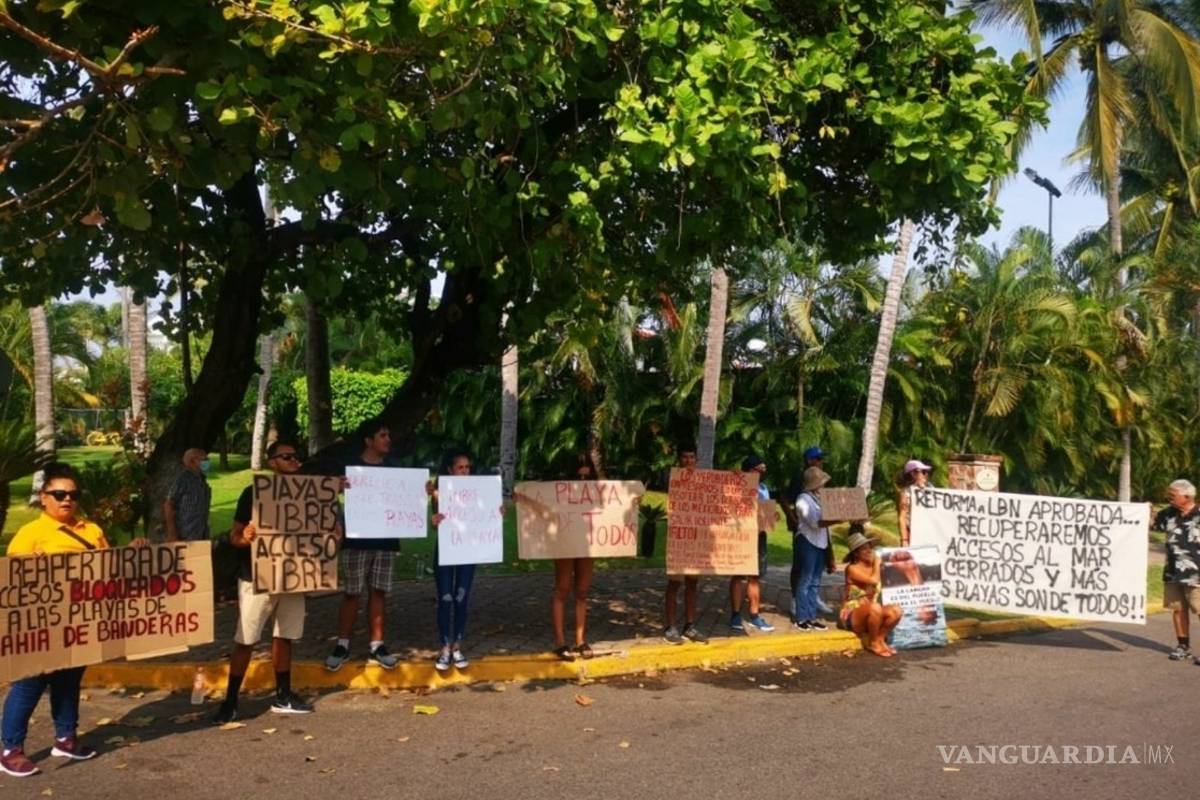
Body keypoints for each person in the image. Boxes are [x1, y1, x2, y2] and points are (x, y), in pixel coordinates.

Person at [2, 463, 149, 778]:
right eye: (59, 494)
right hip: (40, 627)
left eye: (73, 494)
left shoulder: (91, 530)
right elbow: (12, 584)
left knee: (69, 681)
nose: (66, 500)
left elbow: (107, 572)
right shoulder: (30, 535)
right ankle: (10, 749)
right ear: (44, 498)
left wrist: (133, 554)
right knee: (29, 685)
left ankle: (65, 738)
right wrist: (31, 567)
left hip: (79, 625)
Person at [214, 441, 325, 723]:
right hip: (256, 576)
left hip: (292, 577)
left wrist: (332, 533)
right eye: (286, 456)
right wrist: (246, 537)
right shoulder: (252, 494)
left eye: (296, 457)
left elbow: (321, 533)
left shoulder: (309, 495)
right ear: (272, 462)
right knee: (246, 638)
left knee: (285, 635)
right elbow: (234, 536)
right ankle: (230, 701)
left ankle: (283, 695)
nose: (293, 461)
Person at [325, 418, 402, 671]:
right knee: (352, 592)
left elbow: (405, 497)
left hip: (386, 539)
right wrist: (335, 488)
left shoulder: (394, 467)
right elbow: (327, 499)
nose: (387, 440)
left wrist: (419, 490)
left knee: (379, 591)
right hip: (356, 539)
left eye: (388, 435)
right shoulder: (351, 468)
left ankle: (377, 645)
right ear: (369, 441)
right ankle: (342, 644)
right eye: (382, 435)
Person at [429, 449, 490, 671]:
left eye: (467, 467)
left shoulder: (478, 491)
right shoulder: (439, 493)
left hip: (467, 552)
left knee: (461, 596)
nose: (465, 471)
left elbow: (488, 515)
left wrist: (498, 511)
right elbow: (433, 524)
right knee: (445, 597)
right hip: (446, 550)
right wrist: (434, 520)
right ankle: (444, 646)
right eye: (460, 467)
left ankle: (457, 645)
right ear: (449, 470)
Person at [551, 455, 600, 660]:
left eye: (586, 478)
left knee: (582, 591)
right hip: (566, 542)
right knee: (562, 588)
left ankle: (580, 640)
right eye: (579, 477)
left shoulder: (597, 491)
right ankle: (561, 642)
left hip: (587, 543)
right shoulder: (560, 491)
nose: (582, 483)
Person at [663, 445, 708, 644]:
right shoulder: (673, 479)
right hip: (679, 540)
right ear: (679, 460)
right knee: (674, 584)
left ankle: (690, 625)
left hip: (697, 540)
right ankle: (670, 626)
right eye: (685, 457)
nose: (688, 461)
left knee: (692, 584)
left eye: (692, 457)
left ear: (696, 460)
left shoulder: (704, 481)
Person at [1153, 479, 1200, 663]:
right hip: (1173, 571)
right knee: (1178, 609)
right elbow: (1151, 524)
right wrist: (1146, 511)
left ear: (1187, 496)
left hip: (1196, 573)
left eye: (1173, 495)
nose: (1169, 498)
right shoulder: (1168, 514)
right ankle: (1183, 646)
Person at [838, 528, 902, 657]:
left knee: (896, 610)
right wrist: (878, 564)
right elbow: (873, 580)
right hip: (851, 613)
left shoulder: (873, 567)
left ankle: (879, 638)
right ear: (856, 554)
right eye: (864, 549)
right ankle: (873, 643)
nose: (869, 551)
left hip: (871, 612)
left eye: (870, 548)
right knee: (875, 608)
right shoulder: (852, 569)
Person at [729, 455, 775, 633]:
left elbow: (765, 513)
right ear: (749, 470)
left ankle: (755, 615)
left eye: (763, 471)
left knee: (755, 576)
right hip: (740, 536)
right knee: (738, 576)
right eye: (758, 470)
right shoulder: (737, 487)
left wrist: (770, 518)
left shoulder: (764, 489)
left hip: (759, 537)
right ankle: (735, 614)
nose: (762, 474)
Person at [793, 466, 835, 631]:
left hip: (820, 542)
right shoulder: (803, 500)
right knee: (806, 579)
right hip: (808, 541)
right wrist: (836, 520)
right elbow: (815, 523)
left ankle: (811, 616)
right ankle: (802, 617)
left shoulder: (818, 499)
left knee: (816, 581)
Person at [164, 448, 213, 542]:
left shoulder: (202, 480)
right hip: (186, 534)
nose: (207, 462)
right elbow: (168, 504)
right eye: (204, 460)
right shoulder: (183, 479)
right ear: (192, 461)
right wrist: (172, 534)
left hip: (202, 534)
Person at [896, 459, 932, 547]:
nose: (925, 475)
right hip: (912, 533)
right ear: (913, 474)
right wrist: (904, 539)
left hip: (927, 533)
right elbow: (902, 517)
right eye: (923, 472)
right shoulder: (905, 493)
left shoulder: (929, 489)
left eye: (926, 472)